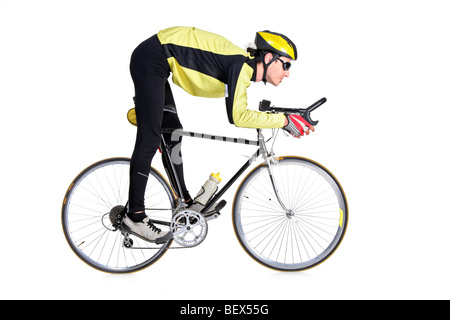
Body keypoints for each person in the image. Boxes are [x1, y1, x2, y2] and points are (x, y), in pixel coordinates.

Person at [122, 27, 314, 243]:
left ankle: (185, 203)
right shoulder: (240, 66)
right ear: (269, 57)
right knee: (150, 138)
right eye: (286, 65)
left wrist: (283, 116)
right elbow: (238, 117)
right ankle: (135, 216)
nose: (287, 72)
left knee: (173, 134)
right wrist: (284, 120)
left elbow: (238, 112)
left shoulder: (241, 69)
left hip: (156, 60)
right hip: (153, 57)